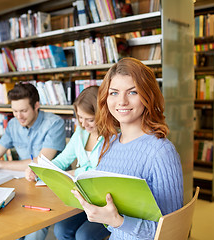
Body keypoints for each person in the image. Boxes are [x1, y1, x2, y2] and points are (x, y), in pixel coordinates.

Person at [71, 57, 184, 239]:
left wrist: (119, 221)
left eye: (132, 92)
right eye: (114, 93)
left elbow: (172, 231)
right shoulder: (108, 145)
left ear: (148, 96)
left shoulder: (161, 152)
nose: (121, 101)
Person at [0, 83, 66, 240]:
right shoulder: (13, 124)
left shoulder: (55, 123)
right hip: (22, 185)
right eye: (15, 111)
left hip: (49, 187)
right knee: (6, 225)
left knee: (34, 229)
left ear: (36, 106)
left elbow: (39, 163)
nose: (19, 116)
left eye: (23, 111)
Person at [25, 85, 110, 240]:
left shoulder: (112, 138)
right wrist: (40, 170)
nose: (84, 125)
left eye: (90, 120)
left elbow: (98, 171)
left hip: (106, 205)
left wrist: (75, 172)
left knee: (83, 235)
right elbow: (63, 159)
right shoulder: (80, 133)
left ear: (103, 114)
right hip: (83, 200)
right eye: (80, 118)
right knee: (61, 230)